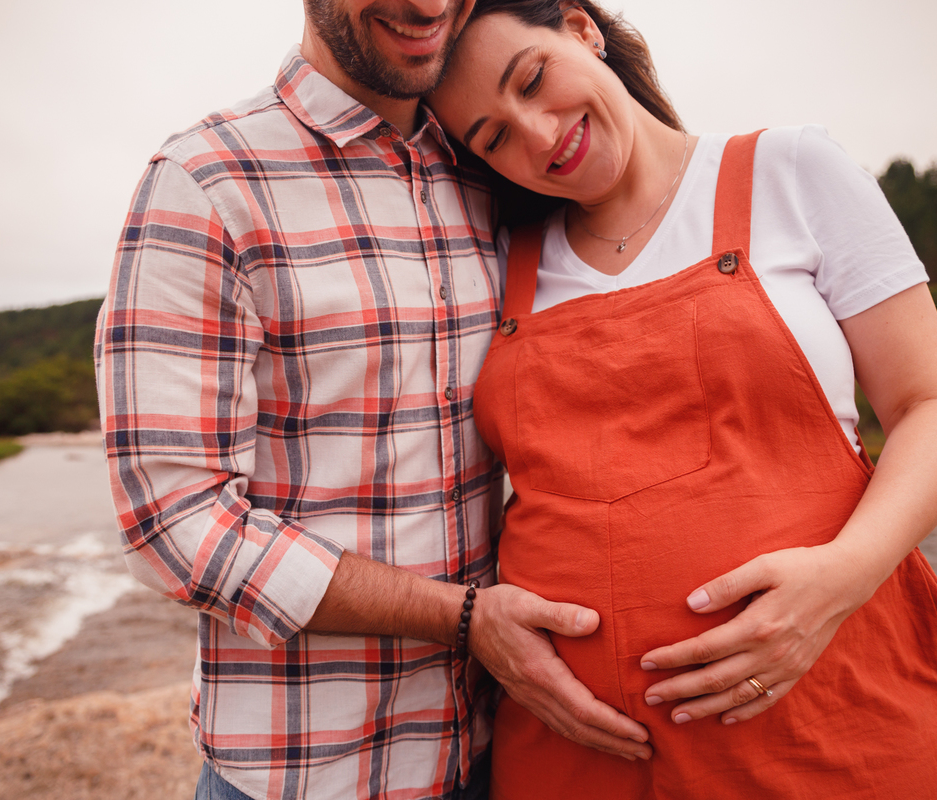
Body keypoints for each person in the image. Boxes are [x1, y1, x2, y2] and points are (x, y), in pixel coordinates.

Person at [94, 2, 656, 799]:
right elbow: (172, 521)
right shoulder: (207, 182)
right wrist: (461, 618)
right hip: (304, 776)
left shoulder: (493, 159)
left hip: (501, 751)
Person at [426, 0, 937, 797]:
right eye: (494, 137)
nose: (540, 137)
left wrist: (843, 577)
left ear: (582, 28)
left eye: (534, 80)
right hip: (571, 760)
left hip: (825, 731)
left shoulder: (792, 172)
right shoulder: (496, 261)